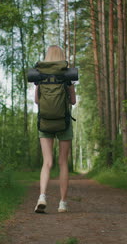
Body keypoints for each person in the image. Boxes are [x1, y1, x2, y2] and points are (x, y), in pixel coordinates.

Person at [34, 45, 76, 213]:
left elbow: (37, 101)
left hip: (44, 122)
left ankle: (42, 197)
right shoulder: (67, 76)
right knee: (63, 162)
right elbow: (73, 101)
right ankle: (63, 203)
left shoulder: (40, 76)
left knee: (47, 162)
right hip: (63, 123)